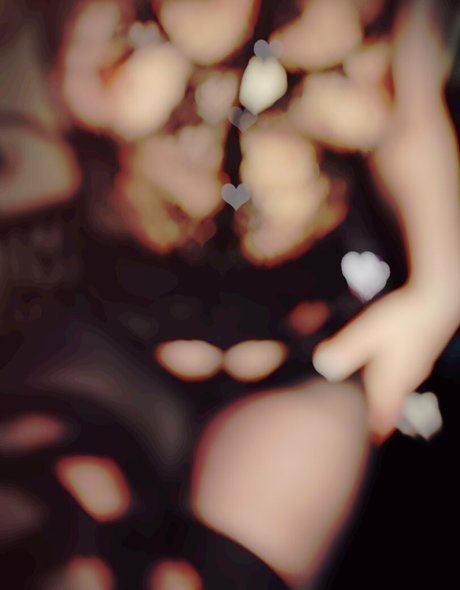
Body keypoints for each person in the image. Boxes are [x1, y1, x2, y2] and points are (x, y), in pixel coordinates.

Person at [0, 0, 459, 588]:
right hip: (115, 329)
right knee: (65, 562)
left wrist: (439, 290)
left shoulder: (399, 15)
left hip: (303, 355)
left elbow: (414, 122)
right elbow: (58, 98)